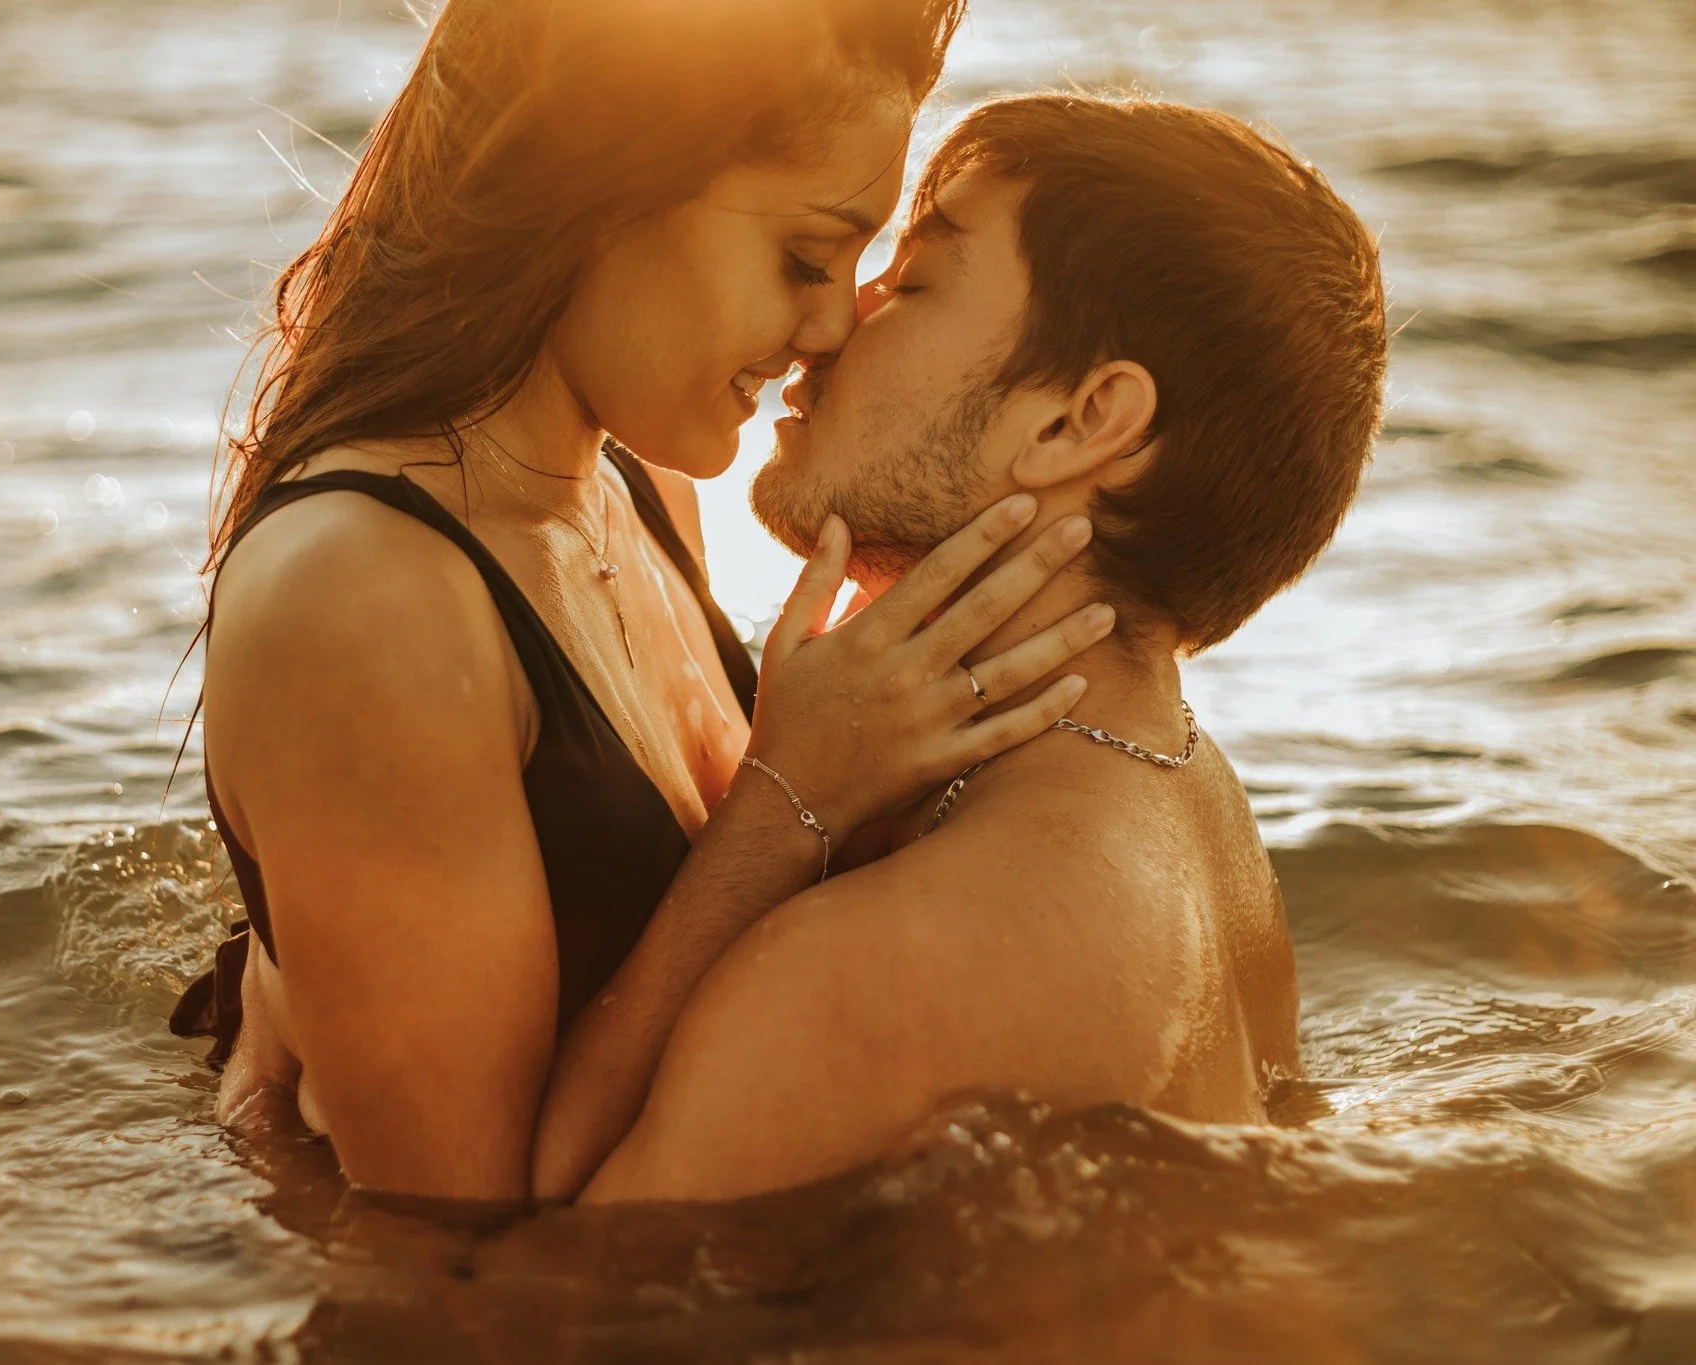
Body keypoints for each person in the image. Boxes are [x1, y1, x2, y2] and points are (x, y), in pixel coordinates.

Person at [166, 0, 1120, 1202]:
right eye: (801, 256)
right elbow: (453, 1240)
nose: (834, 324)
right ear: (601, 190)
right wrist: (789, 805)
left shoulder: (634, 483)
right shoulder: (364, 599)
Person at [583, 93, 1390, 1203]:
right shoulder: (1191, 807)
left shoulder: (877, 966)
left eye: (911, 283)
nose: (828, 323)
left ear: (1077, 422)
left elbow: (508, 1317)